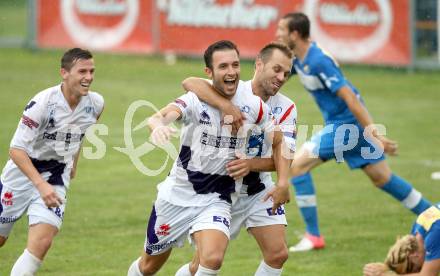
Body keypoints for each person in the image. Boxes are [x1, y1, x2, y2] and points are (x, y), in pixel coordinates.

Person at [127, 40, 288, 276]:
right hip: (177, 196)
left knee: (212, 259)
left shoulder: (254, 106)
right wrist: (158, 126)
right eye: (223, 66)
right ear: (209, 73)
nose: (231, 72)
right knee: (148, 266)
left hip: (217, 198)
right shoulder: (194, 100)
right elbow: (159, 117)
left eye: (235, 65)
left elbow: (279, 142)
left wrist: (283, 182)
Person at [274, 12, 432, 252]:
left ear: (295, 34)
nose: (278, 34)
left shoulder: (318, 61)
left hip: (346, 125)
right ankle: (433, 216)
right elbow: (277, 77)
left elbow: (349, 97)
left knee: (297, 166)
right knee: (382, 178)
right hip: (346, 126)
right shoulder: (300, 59)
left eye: (281, 30)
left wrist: (374, 133)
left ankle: (313, 236)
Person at [176, 42, 295, 276]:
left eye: (287, 73)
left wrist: (275, 179)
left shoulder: (287, 107)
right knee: (203, 263)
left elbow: (285, 154)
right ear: (259, 64)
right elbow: (190, 82)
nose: (282, 78)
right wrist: (225, 105)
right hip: (221, 192)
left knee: (278, 254)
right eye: (277, 70)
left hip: (257, 189)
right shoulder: (230, 86)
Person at [0, 48, 104, 275]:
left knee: (42, 242)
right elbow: (16, 150)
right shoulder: (43, 103)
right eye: (82, 71)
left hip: (56, 176)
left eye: (92, 71)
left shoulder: (95, 104)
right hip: (21, 173)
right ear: (64, 73)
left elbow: (80, 133)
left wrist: (73, 162)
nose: (89, 77)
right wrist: (40, 185)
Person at [363, 202, 440, 275]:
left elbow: (428, 274)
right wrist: (387, 267)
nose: (420, 270)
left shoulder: (434, 235)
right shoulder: (417, 230)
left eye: (416, 269)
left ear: (414, 255)